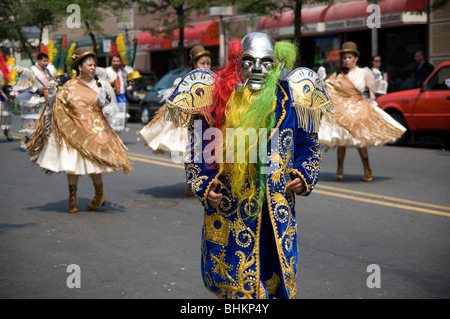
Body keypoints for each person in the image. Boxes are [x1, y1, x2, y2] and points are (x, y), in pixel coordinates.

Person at [166, 32, 333, 299]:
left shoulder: (292, 99)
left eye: (265, 62)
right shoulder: (217, 98)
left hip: (276, 212)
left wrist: (304, 173)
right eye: (248, 61)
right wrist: (204, 184)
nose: (256, 68)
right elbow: (198, 150)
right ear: (237, 63)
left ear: (277, 64)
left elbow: (308, 146)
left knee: (275, 280)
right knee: (237, 287)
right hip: (232, 212)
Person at [26, 48, 133, 213]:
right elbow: (58, 106)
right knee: (71, 166)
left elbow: (112, 109)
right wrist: (53, 94)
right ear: (80, 67)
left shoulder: (102, 85)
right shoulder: (70, 86)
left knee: (94, 166)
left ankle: (99, 196)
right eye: (89, 65)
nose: (92, 67)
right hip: (74, 131)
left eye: (94, 65)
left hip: (95, 131)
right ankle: (72, 199)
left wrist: (107, 108)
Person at [318, 42, 406, 181]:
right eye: (345, 57)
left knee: (361, 142)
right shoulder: (337, 74)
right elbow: (327, 89)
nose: (346, 60)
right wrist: (321, 80)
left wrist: (376, 84)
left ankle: (367, 168)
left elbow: (374, 89)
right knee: (341, 142)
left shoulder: (363, 72)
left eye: (349, 57)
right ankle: (339, 169)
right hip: (341, 110)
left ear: (355, 59)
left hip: (359, 109)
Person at [138, 45, 211, 195]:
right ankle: (191, 181)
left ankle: (206, 181)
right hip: (190, 121)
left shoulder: (213, 79)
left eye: (208, 63)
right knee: (191, 152)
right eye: (202, 63)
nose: (205, 66)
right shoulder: (183, 80)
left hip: (208, 121)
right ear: (194, 64)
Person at [18, 52, 54, 151]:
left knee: (43, 120)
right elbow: (25, 85)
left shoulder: (48, 71)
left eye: (47, 61)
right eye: (44, 61)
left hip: (43, 98)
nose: (46, 63)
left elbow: (51, 82)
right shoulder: (31, 71)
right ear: (38, 61)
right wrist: (36, 90)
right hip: (32, 98)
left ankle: (39, 142)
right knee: (31, 121)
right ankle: (25, 140)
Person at [106, 53, 131, 133]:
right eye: (114, 61)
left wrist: (130, 87)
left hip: (122, 97)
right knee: (111, 119)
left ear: (120, 62)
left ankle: (118, 138)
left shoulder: (124, 72)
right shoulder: (107, 71)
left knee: (120, 120)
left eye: (117, 61)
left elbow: (128, 83)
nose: (116, 63)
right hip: (111, 98)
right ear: (111, 62)